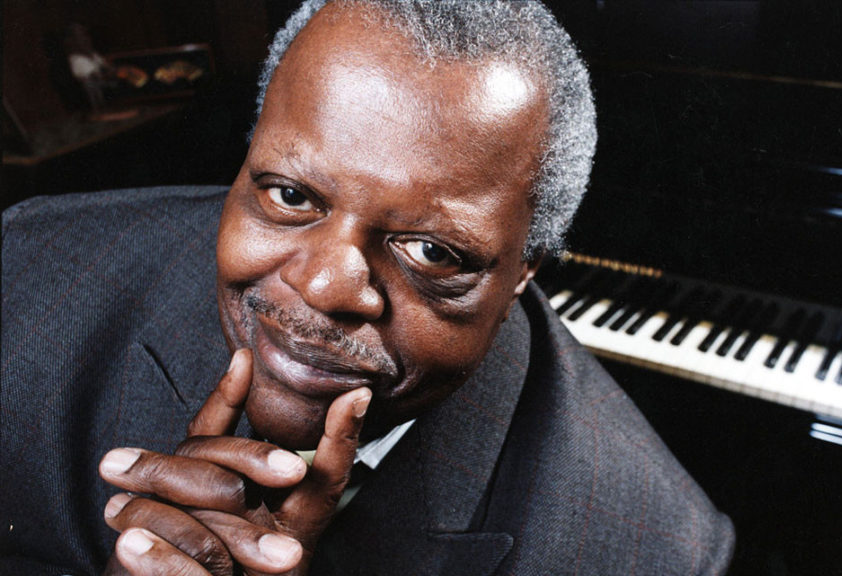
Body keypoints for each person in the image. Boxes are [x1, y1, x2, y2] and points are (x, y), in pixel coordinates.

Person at [1, 1, 734, 574]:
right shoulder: (28, 277)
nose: (324, 286)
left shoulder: (651, 550)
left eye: (431, 250)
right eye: (290, 195)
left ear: (524, 272)